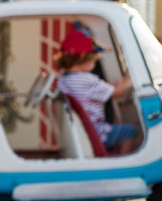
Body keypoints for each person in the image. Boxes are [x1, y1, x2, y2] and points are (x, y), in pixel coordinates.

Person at [54, 28, 137, 156]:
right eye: (94, 58)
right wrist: (133, 76)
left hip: (82, 133)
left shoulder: (63, 79)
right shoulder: (87, 80)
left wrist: (123, 80)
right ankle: (123, 164)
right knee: (129, 130)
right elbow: (117, 92)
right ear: (83, 57)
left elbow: (109, 87)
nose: (96, 62)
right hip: (99, 134)